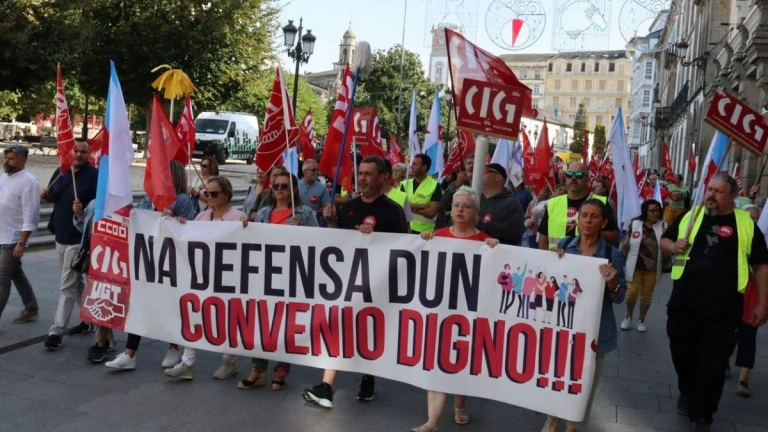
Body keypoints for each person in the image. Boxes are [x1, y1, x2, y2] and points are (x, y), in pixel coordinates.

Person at [660, 174, 768, 431]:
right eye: (709, 189)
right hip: (684, 302)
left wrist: (763, 302)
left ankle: (703, 415)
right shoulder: (691, 215)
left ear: (732, 197)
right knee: (681, 352)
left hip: (724, 308)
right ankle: (686, 388)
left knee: (714, 363)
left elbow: (761, 265)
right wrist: (673, 246)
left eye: (719, 191)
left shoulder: (746, 224)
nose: (711, 194)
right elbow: (664, 239)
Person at [303, 155, 408, 409]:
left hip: (377, 282)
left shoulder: (393, 211)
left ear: (382, 178)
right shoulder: (349, 206)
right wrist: (331, 221)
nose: (362, 178)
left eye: (368, 174)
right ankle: (326, 385)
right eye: (360, 173)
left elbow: (404, 247)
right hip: (347, 279)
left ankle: (368, 377)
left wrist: (375, 238)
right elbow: (338, 239)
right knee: (339, 327)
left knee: (368, 330)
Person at [411, 189, 499, 432]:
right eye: (457, 205)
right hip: (440, 311)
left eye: (467, 206)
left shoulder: (485, 241)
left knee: (463, 359)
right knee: (436, 360)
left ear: (477, 213)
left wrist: (496, 250)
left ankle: (460, 404)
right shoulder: (436, 237)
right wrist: (424, 241)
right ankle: (432, 421)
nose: (460, 210)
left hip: (469, 312)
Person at [541, 199, 626, 432]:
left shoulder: (612, 255)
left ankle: (572, 426)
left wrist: (613, 284)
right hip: (562, 326)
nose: (588, 221)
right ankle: (552, 419)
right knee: (557, 375)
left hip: (594, 331)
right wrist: (552, 262)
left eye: (594, 216)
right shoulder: (565, 245)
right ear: (577, 219)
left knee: (585, 383)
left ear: (604, 222)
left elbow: (619, 297)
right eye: (584, 215)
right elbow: (548, 282)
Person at [102, 161, 196, 368]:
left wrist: (175, 220)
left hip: (170, 260)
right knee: (140, 303)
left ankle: (173, 348)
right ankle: (129, 353)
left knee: (171, 304)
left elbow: (189, 229)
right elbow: (137, 219)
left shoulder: (182, 200)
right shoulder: (148, 198)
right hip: (146, 258)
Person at [238, 171, 318, 390]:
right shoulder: (264, 212)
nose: (280, 190)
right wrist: (246, 227)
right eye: (276, 186)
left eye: (284, 186)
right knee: (261, 322)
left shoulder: (305, 213)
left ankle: (281, 371)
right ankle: (258, 369)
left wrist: (302, 231)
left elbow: (319, 241)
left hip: (291, 276)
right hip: (265, 276)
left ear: (293, 189)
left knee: (285, 325)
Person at [165, 176, 248, 380]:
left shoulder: (238, 217)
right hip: (203, 275)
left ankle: (229, 361)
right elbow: (190, 239)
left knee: (228, 318)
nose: (208, 197)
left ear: (226, 195)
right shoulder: (202, 217)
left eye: (214, 193)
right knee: (194, 314)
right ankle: (187, 362)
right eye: (206, 193)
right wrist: (181, 225)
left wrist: (248, 228)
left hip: (229, 277)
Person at [41, 141, 99, 350]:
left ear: (89, 154)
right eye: (76, 151)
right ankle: (92, 320)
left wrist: (82, 211)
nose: (79, 155)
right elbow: (54, 196)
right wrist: (47, 195)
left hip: (78, 239)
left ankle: (56, 331)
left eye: (83, 152)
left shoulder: (94, 175)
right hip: (60, 235)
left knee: (66, 285)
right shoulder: (61, 171)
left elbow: (99, 207)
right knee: (76, 285)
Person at [0, 146, 40, 324]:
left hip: (13, 237)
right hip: (1, 233)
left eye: (11, 158)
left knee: (2, 278)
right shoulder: (5, 177)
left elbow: (31, 214)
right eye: (6, 158)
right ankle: (31, 308)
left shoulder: (29, 181)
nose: (6, 161)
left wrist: (21, 242)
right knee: (16, 273)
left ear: (22, 160)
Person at [538, 162, 619, 251]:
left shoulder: (601, 203)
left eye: (579, 175)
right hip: (557, 257)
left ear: (587, 180)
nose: (573, 178)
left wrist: (594, 233)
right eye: (569, 174)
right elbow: (543, 240)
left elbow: (614, 237)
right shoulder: (553, 203)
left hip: (587, 257)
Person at [726, 204, 761, 397]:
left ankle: (743, 379)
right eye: (747, 217)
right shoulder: (731, 237)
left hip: (753, 298)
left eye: (754, 218)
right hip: (731, 295)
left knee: (748, 336)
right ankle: (724, 361)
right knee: (728, 333)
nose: (750, 221)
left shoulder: (762, 241)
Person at [619, 199, 665, 333]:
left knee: (646, 296)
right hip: (635, 267)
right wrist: (618, 259)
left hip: (652, 269)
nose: (655, 213)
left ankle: (641, 319)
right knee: (631, 294)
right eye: (652, 210)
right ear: (645, 211)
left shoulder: (663, 226)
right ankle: (628, 317)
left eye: (657, 210)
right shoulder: (635, 224)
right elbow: (625, 244)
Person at [478, 163, 525, 245]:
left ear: (498, 177)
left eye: (485, 171)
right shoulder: (475, 199)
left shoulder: (512, 204)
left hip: (498, 252)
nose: (481, 174)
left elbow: (512, 232)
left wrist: (479, 224)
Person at [403, 154, 442, 234]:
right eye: (412, 164)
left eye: (415, 164)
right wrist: (422, 206)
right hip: (405, 229)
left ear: (424, 168)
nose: (411, 167)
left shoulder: (435, 186)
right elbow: (401, 207)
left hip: (424, 233)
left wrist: (410, 208)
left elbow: (432, 212)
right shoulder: (405, 184)